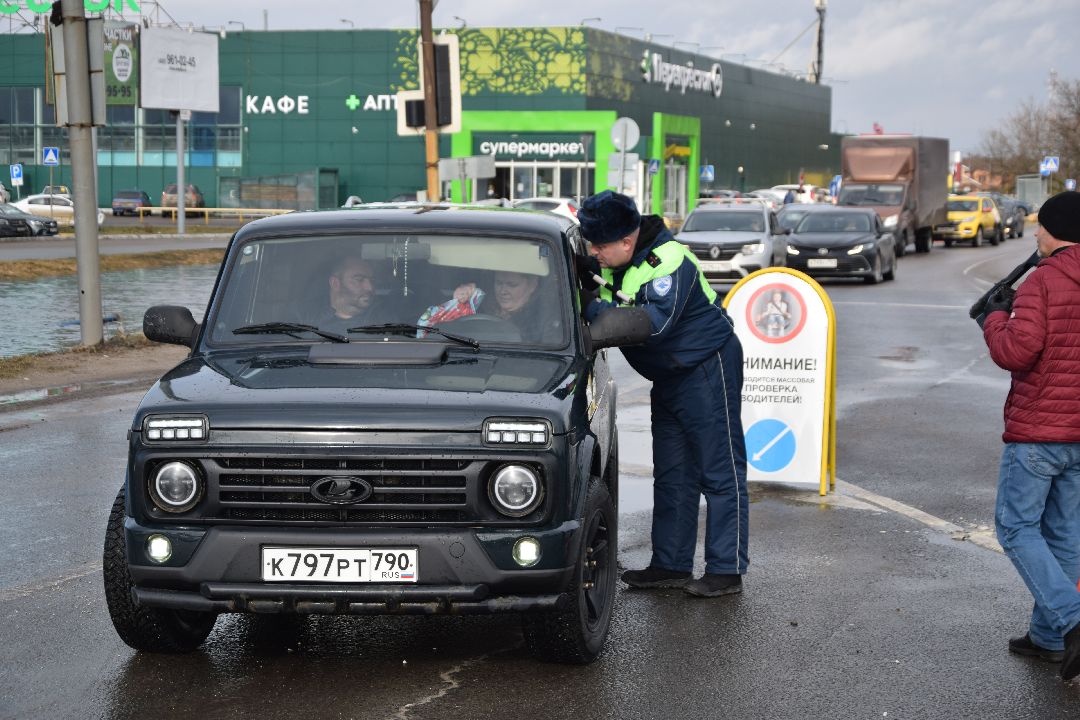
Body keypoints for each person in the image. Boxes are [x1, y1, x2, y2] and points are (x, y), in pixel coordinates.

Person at [577, 190, 748, 598]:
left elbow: (649, 323)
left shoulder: (668, 261)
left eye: (600, 246)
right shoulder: (621, 262)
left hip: (707, 367)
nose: (594, 253)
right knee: (673, 474)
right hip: (670, 376)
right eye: (591, 245)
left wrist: (591, 305)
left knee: (719, 471)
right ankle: (670, 564)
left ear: (627, 240)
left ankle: (727, 570)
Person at [980, 191, 1080, 680]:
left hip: (1040, 430)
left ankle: (1074, 619)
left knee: (1016, 528)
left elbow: (1017, 353)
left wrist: (995, 318)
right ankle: (1049, 637)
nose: (1034, 234)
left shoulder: (1044, 280)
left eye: (1040, 226)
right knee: (1064, 533)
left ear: (1058, 229)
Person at [315, 255, 383, 331]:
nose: (370, 287)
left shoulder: (386, 318)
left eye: (372, 280)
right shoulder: (308, 318)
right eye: (359, 280)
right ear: (335, 283)